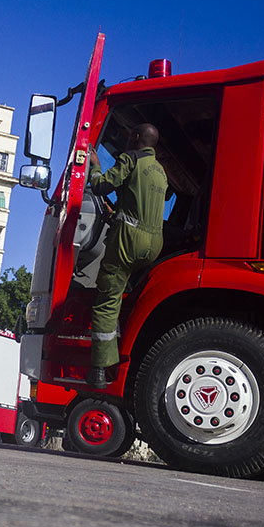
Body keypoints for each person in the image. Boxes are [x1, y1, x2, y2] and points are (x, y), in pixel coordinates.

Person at [87, 123, 168, 388]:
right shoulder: (160, 171)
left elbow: (100, 186)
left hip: (128, 242)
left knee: (107, 300)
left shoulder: (130, 159)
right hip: (153, 246)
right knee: (128, 297)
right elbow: (139, 204)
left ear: (135, 137)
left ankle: (100, 368)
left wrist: (95, 165)